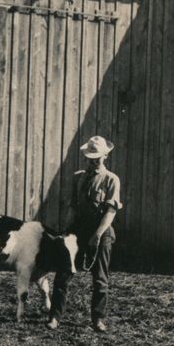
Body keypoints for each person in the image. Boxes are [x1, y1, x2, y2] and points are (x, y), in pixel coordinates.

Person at [48, 135, 122, 333]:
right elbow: (73, 207)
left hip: (101, 231)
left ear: (105, 156)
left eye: (96, 157)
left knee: (100, 278)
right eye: (90, 158)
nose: (92, 161)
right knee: (63, 273)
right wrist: (65, 230)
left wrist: (97, 236)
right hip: (78, 231)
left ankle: (98, 319)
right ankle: (55, 316)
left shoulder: (111, 180)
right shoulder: (78, 177)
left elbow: (110, 212)